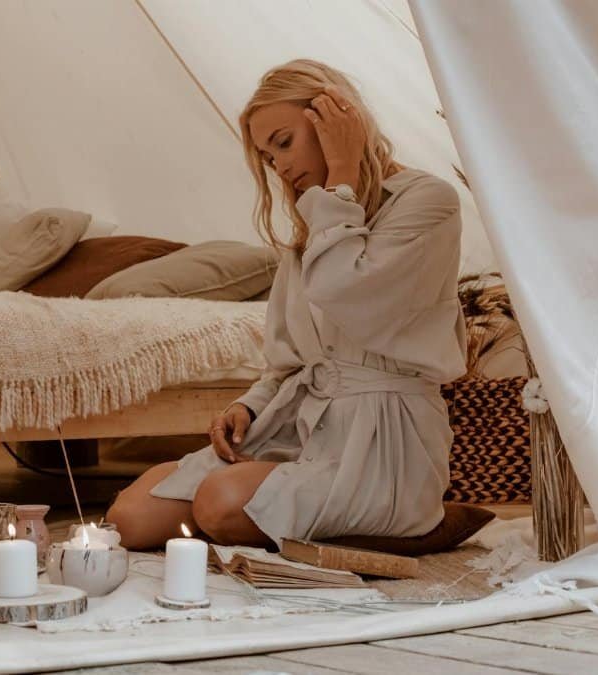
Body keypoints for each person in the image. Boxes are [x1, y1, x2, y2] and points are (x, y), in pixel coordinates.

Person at [106, 59, 468, 550]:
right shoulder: (312, 228)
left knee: (219, 503)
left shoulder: (427, 202)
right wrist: (249, 407)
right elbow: (288, 362)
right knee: (131, 519)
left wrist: (342, 174)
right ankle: (276, 512)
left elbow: (343, 291)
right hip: (300, 426)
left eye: (283, 142)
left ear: (336, 121)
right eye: (267, 156)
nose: (279, 166)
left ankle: (402, 519)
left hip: (383, 441)